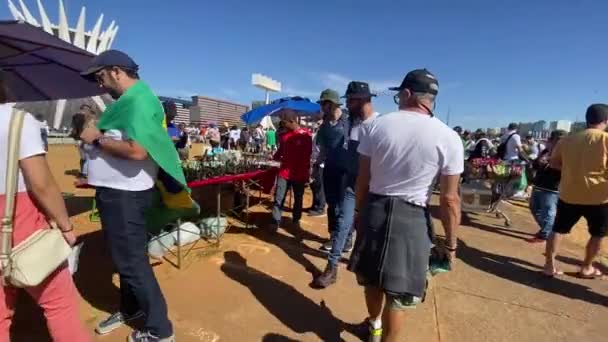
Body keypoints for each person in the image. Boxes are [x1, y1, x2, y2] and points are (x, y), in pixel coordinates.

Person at [348, 69, 462, 341]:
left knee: (372, 280)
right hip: (412, 219)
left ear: (408, 94)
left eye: (399, 93)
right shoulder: (449, 137)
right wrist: (452, 244)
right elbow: (450, 199)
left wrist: (357, 213)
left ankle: (374, 325)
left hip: (375, 210)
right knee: (399, 295)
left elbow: (362, 179)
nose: (398, 98)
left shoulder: (375, 126)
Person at [79, 49, 176, 342]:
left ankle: (160, 330)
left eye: (101, 77)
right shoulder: (130, 102)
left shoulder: (139, 101)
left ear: (116, 71)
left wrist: (96, 138)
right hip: (120, 193)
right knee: (126, 261)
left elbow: (137, 150)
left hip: (125, 196)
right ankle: (131, 308)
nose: (99, 84)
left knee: (132, 263)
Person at [0, 83, 90, 342]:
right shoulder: (17, 121)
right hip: (19, 222)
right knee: (59, 304)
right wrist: (65, 226)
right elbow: (41, 184)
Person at [313, 81, 378, 288]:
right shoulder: (352, 124)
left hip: (375, 186)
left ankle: (371, 270)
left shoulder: (380, 125)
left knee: (369, 227)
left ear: (362, 100)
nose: (346, 105)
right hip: (350, 182)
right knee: (343, 220)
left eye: (350, 100)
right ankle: (332, 268)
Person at [544, 104, 608, 279]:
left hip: (569, 194)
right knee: (598, 234)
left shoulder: (567, 140)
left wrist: (572, 170)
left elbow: (554, 163)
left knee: (558, 230)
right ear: (606, 121)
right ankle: (586, 267)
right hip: (599, 197)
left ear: (587, 120)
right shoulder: (606, 139)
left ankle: (549, 266)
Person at [314, 89, 350, 252]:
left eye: (323, 104)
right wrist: (316, 166)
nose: (321, 107)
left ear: (331, 104)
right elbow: (322, 150)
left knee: (344, 206)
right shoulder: (324, 126)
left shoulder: (350, 121)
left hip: (347, 171)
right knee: (332, 204)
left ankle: (346, 239)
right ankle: (334, 236)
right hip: (330, 169)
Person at [270, 110, 313, 231]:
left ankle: (296, 220)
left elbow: (308, 155)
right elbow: (280, 152)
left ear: (292, 121)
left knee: (298, 199)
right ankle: (275, 221)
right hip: (284, 173)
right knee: (279, 198)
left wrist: (307, 173)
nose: (283, 125)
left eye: (284, 122)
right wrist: (273, 157)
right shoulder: (284, 136)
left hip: (299, 174)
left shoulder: (306, 135)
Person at [526, 130, 566, 243]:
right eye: (556, 140)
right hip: (538, 184)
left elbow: (566, 170)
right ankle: (548, 229)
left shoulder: (564, 154)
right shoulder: (545, 151)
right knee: (534, 208)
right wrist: (537, 162)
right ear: (551, 140)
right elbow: (535, 165)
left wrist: (551, 165)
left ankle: (545, 234)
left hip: (552, 188)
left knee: (548, 212)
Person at [308, 128, 326, 217]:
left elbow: (322, 152)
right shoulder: (317, 135)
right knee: (313, 186)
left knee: (319, 186)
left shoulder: (324, 136)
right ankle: (315, 205)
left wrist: (317, 163)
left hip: (319, 165)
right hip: (314, 163)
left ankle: (320, 208)